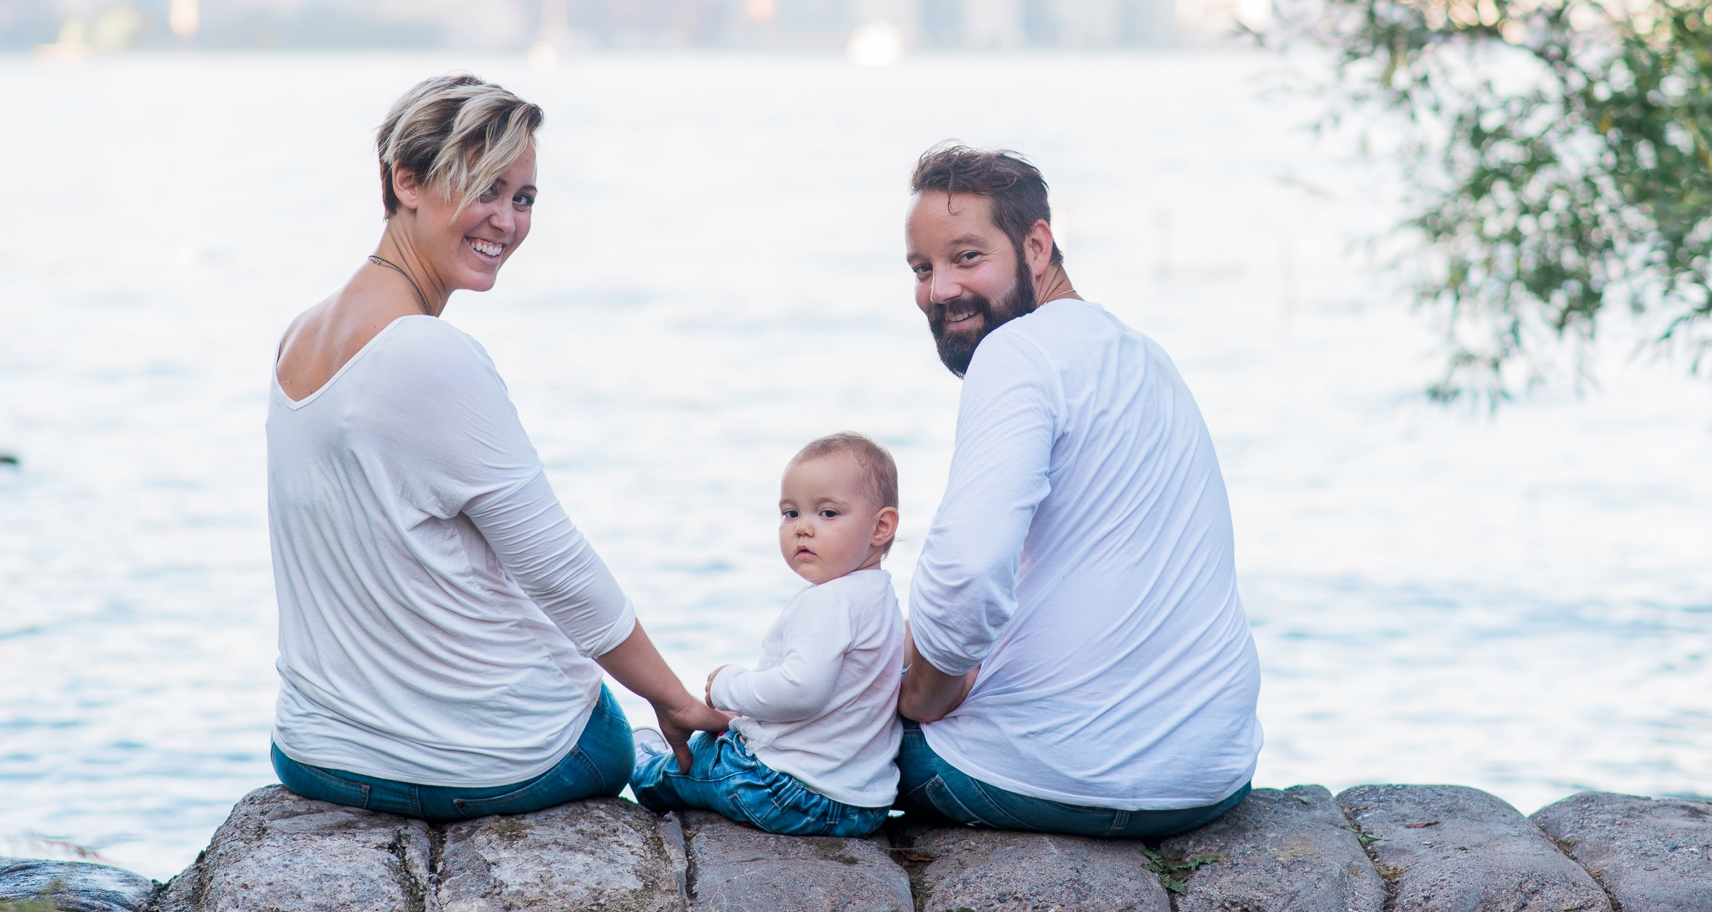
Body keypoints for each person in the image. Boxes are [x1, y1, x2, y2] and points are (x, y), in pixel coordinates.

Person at [266, 73, 729, 821]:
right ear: (405, 181)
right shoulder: (428, 353)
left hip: (316, 750)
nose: (506, 222)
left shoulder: (301, 332)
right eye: (485, 188)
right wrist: (671, 698)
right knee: (610, 729)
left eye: (524, 198)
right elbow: (558, 566)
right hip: (486, 759)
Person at [895, 143, 1263, 838]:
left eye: (966, 257)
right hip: (1211, 776)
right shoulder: (1143, 355)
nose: (939, 289)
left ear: (1037, 245)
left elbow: (969, 570)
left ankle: (669, 762)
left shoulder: (1017, 351)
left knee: (812, 737)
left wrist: (922, 693)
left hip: (1056, 775)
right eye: (922, 267)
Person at [630, 434, 905, 837]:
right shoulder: (881, 597)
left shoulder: (829, 602)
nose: (803, 529)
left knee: (695, 761)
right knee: (729, 735)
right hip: (862, 804)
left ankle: (642, 761)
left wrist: (727, 686)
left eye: (827, 513)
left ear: (881, 526)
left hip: (787, 792)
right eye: (790, 513)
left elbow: (799, 692)